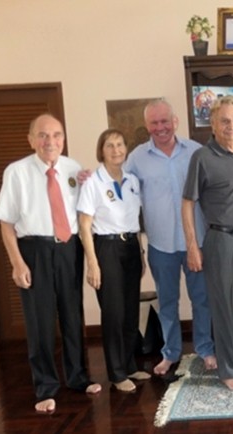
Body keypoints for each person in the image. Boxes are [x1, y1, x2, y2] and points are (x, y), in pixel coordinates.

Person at [0, 114, 101, 413]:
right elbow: (5, 224)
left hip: (69, 249)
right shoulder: (17, 172)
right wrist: (17, 263)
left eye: (56, 135)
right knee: (39, 321)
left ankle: (78, 377)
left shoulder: (73, 168)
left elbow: (84, 210)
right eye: (43, 135)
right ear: (31, 139)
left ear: (63, 139)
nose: (50, 141)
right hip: (34, 250)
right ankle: (45, 387)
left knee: (71, 314)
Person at [124, 99, 216, 376]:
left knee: (202, 300)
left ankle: (205, 348)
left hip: (196, 242)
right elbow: (121, 193)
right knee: (167, 302)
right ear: (147, 126)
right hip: (160, 245)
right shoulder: (137, 159)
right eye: (154, 123)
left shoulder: (196, 151)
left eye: (165, 121)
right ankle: (170, 353)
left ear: (174, 121)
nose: (160, 127)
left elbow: (215, 185)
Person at [182, 95, 233, 391]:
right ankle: (228, 372)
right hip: (223, 241)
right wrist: (192, 245)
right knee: (225, 308)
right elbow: (187, 203)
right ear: (213, 124)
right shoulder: (202, 157)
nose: (231, 126)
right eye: (225, 121)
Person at [77, 128, 150, 392]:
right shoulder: (92, 183)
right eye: (110, 145)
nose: (116, 149)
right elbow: (84, 226)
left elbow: (135, 222)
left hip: (130, 246)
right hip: (105, 249)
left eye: (120, 144)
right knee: (114, 312)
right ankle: (117, 374)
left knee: (130, 311)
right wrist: (93, 263)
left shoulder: (132, 180)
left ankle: (130, 365)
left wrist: (140, 253)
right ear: (102, 150)